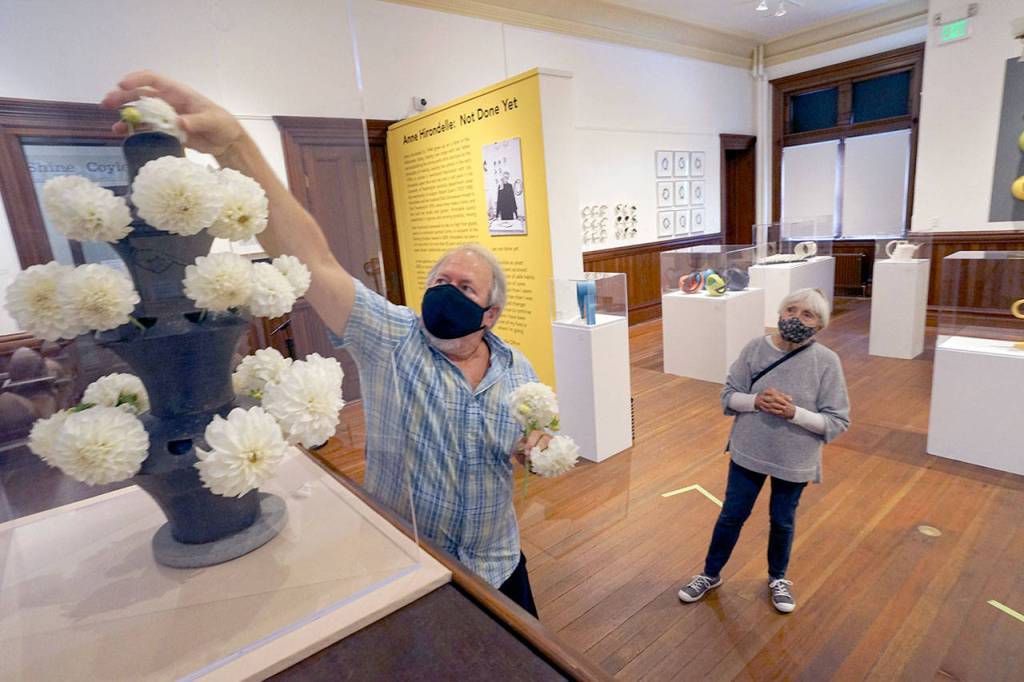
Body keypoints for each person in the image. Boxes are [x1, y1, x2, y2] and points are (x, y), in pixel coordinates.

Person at [101, 72, 548, 617]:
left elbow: (529, 437)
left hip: (497, 563)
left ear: (491, 313)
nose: (445, 294)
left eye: (463, 288)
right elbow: (313, 260)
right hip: (410, 564)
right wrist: (235, 145)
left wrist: (535, 445)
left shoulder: (517, 368)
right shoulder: (391, 336)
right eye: (438, 282)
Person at [677, 288, 850, 614]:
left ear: (820, 325)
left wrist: (794, 413)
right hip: (749, 449)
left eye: (807, 314)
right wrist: (756, 401)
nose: (796, 318)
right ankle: (709, 574)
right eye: (791, 310)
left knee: (783, 520)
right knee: (732, 515)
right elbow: (728, 396)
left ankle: (777, 578)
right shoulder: (756, 348)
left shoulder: (826, 362)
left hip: (794, 458)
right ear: (779, 313)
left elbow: (837, 420)